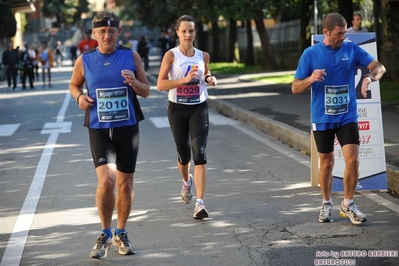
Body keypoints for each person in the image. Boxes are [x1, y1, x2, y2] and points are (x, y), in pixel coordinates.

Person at [69, 10, 150, 259]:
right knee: (106, 181)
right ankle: (104, 232)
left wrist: (135, 84)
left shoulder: (130, 55)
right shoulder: (85, 60)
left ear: (118, 33)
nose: (107, 35)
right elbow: (74, 85)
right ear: (94, 34)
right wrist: (80, 97)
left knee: (125, 184)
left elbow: (146, 90)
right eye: (102, 31)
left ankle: (121, 232)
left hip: (128, 127)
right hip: (99, 128)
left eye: (111, 31)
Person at [291, 12, 386, 225]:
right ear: (326, 32)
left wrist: (369, 79)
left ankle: (348, 204)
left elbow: (380, 67)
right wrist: (310, 78)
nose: (343, 37)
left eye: (344, 33)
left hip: (347, 115)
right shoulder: (310, 53)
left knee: (353, 159)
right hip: (322, 117)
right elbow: (295, 87)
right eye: (339, 33)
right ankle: (326, 203)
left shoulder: (351, 49)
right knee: (326, 163)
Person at [156, 15, 217, 219]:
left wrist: (209, 78)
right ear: (178, 33)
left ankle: (200, 203)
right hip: (177, 109)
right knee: (184, 156)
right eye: (184, 31)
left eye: (191, 31)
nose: (188, 34)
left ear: (195, 32)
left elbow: (206, 74)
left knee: (199, 154)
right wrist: (183, 80)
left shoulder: (203, 55)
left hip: (199, 107)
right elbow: (160, 84)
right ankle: (186, 181)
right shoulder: (171, 56)